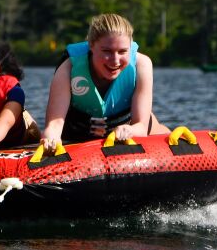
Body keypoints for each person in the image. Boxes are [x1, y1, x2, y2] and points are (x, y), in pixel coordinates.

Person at [40, 13, 167, 151]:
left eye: (122, 51)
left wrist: (129, 130)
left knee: (158, 128)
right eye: (107, 51)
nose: (115, 60)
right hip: (77, 132)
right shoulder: (68, 68)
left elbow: (141, 127)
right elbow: (54, 124)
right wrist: (51, 139)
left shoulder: (142, 65)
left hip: (126, 126)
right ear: (91, 46)